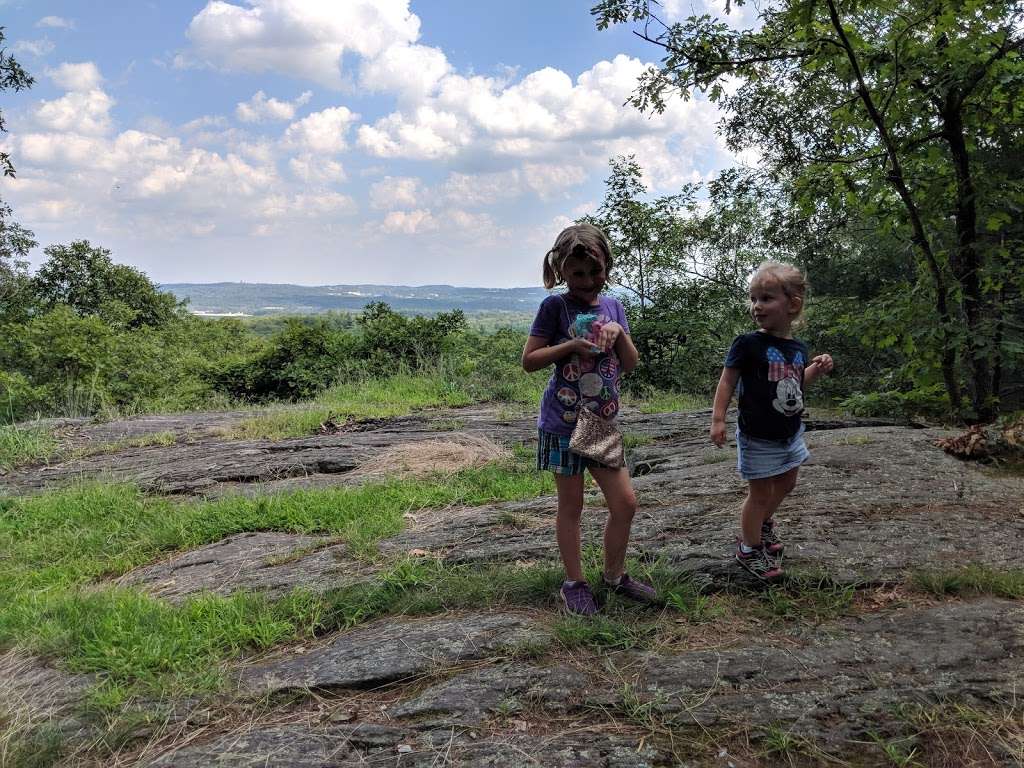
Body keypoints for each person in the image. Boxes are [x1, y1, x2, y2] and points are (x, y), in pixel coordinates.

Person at [522, 223, 656, 615]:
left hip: (599, 424)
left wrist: (620, 334)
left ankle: (615, 576)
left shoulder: (614, 306)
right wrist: (570, 346)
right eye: (577, 273)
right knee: (572, 506)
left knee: (625, 503)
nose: (587, 281)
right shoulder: (555, 307)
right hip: (562, 423)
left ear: (606, 267)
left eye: (594, 272)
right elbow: (529, 361)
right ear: (562, 271)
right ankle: (574, 583)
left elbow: (629, 364)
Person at [710, 261, 834, 580]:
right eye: (754, 299)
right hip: (758, 436)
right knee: (760, 493)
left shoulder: (797, 348)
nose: (757, 306)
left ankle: (762, 524)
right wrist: (718, 419)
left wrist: (815, 371)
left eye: (766, 298)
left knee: (788, 483)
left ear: (792, 304)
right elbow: (726, 382)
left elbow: (793, 385)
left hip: (790, 432)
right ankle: (749, 549)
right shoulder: (748, 344)